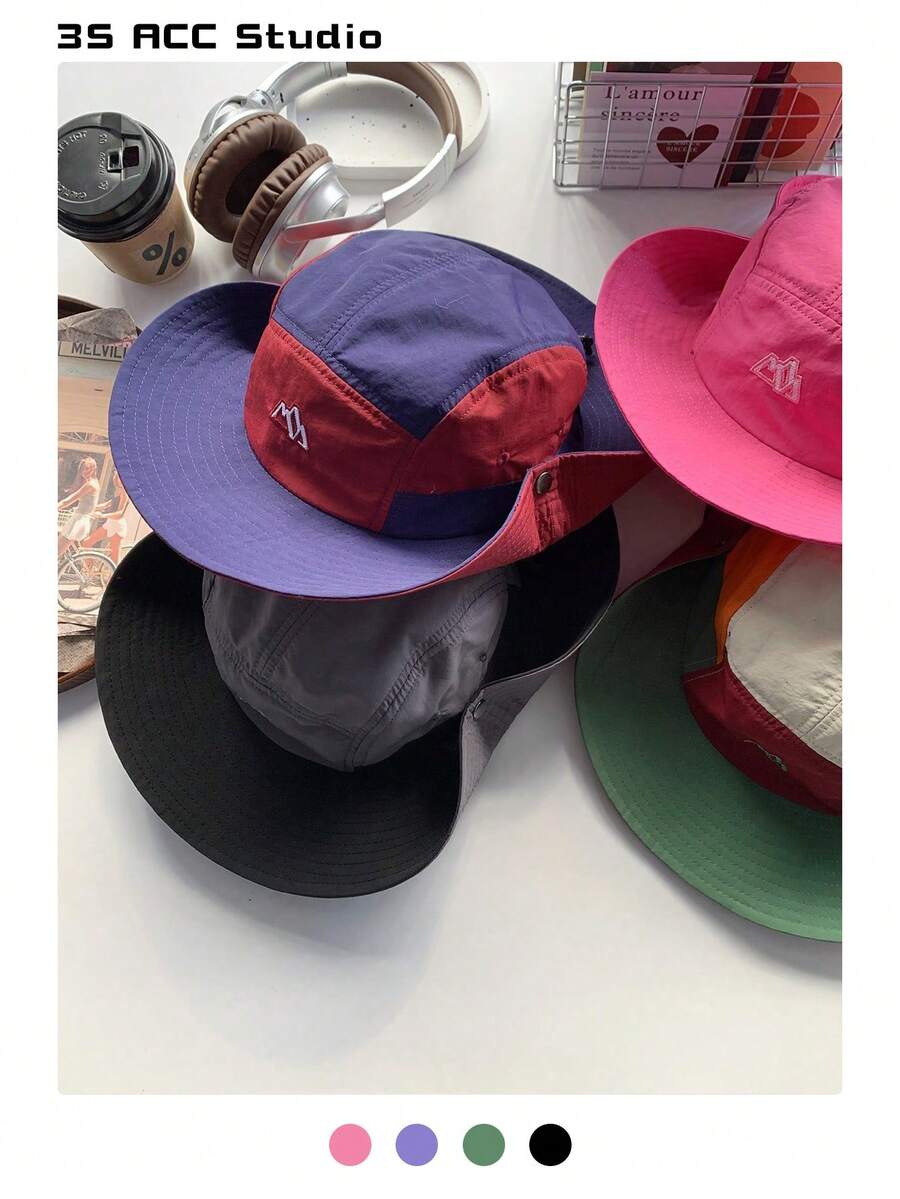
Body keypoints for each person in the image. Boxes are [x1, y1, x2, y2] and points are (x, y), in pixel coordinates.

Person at [82, 469, 130, 564]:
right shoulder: (119, 491)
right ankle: (90, 570)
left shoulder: (125, 492)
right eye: (118, 477)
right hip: (110, 524)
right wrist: (87, 508)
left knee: (114, 560)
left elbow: (120, 514)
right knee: (86, 542)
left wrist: (102, 515)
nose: (119, 479)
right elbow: (106, 505)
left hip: (117, 526)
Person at [58, 456, 100, 557]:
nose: (84, 471)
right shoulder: (94, 483)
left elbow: (71, 499)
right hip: (78, 519)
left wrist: (58, 505)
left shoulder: (90, 485)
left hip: (78, 521)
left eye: (87, 468)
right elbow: (90, 504)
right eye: (83, 469)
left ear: (93, 469)